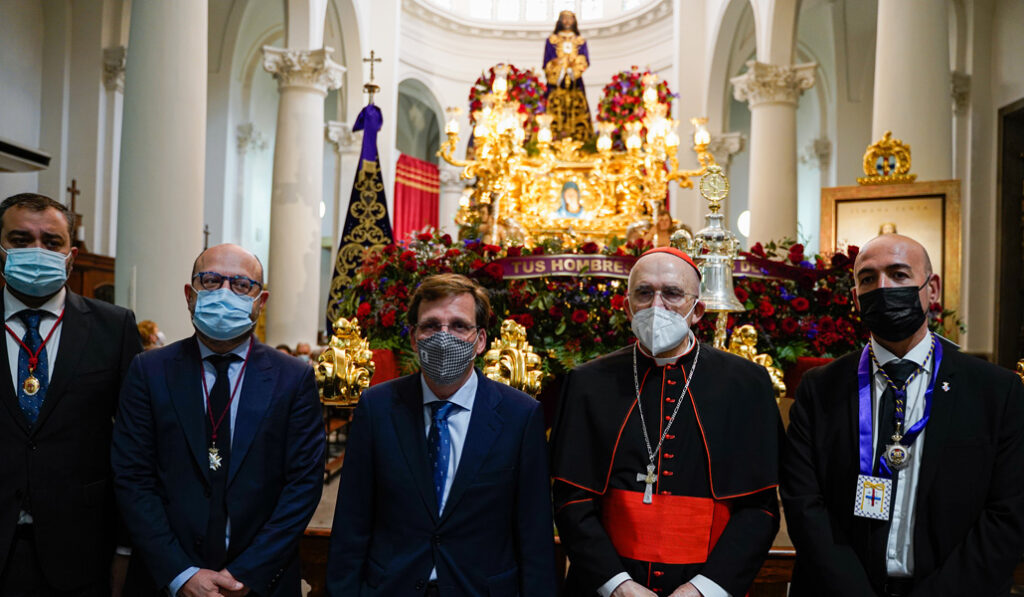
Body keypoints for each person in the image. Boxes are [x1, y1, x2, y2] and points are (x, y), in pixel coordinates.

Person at [781, 233, 1024, 597]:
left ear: (932, 289)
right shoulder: (819, 389)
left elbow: (1008, 514)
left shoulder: (996, 391)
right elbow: (804, 505)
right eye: (868, 279)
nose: (883, 288)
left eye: (898, 274)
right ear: (855, 299)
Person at [551, 247, 781, 597]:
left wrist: (704, 589)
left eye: (672, 293)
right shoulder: (587, 382)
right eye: (644, 293)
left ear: (697, 310)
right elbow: (571, 500)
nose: (656, 306)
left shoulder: (746, 384)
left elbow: (759, 508)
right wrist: (618, 586)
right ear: (627, 307)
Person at [112, 243, 325, 597]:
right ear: (190, 294)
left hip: (260, 583)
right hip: (165, 580)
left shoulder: (294, 378)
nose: (225, 292)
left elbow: (302, 486)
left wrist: (246, 574)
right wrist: (181, 574)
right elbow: (133, 478)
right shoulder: (149, 371)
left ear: (261, 301)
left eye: (242, 285)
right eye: (210, 280)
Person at [327, 273, 556, 596]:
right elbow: (353, 520)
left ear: (480, 340)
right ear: (413, 338)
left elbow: (534, 533)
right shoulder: (377, 408)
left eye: (459, 326)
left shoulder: (520, 415)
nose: (443, 336)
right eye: (431, 325)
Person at [0, 193, 143, 595]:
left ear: (71, 254)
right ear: (1, 250)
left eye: (51, 241)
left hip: (81, 550)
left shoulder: (113, 328)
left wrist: (126, 547)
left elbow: (135, 443)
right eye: (21, 239)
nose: (37, 250)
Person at [544, 10, 593, 141]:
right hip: (556, 80)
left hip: (575, 80)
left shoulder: (580, 41)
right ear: (560, 21)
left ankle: (580, 137)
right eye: (564, 18)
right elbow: (547, 61)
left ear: (574, 21)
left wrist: (574, 66)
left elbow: (585, 60)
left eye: (569, 18)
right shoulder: (552, 40)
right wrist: (557, 64)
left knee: (578, 103)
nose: (567, 21)